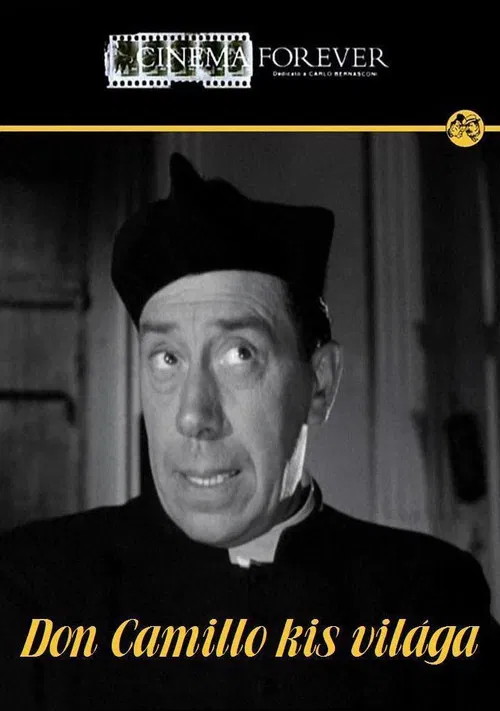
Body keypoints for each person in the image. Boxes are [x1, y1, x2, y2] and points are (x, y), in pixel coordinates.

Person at [0, 153, 498, 710]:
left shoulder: (432, 599)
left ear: (320, 384)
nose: (194, 415)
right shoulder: (35, 592)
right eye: (167, 358)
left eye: (240, 354)